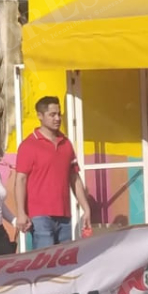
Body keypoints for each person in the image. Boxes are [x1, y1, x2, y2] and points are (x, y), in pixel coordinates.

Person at [12, 96, 92, 249]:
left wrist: (86, 208)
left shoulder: (66, 143)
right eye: (52, 115)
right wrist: (21, 213)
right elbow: (20, 180)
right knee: (45, 258)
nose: (57, 118)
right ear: (40, 116)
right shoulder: (29, 145)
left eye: (59, 114)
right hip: (39, 216)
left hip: (64, 216)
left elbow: (74, 178)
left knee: (64, 259)